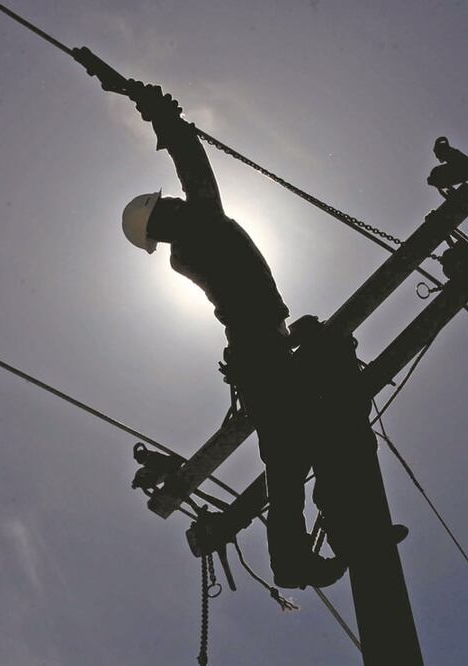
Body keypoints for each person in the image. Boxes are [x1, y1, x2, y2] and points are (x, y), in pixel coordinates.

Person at [117, 82, 347, 589]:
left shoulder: (190, 243)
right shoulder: (200, 227)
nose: (176, 198)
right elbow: (193, 163)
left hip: (260, 352)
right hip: (260, 353)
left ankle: (325, 545)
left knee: (299, 453)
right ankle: (315, 550)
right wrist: (161, 116)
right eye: (167, 202)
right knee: (305, 450)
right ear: (164, 217)